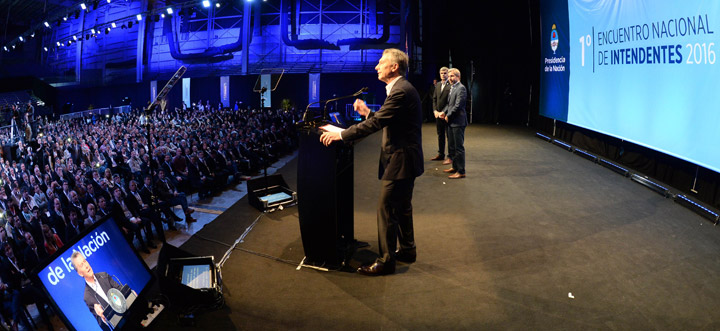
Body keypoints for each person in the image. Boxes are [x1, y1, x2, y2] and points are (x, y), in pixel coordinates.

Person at [319, 48, 423, 276]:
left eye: (381, 62)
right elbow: (385, 119)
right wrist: (367, 112)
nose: (377, 66)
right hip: (406, 159)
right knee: (402, 207)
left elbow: (378, 124)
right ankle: (407, 250)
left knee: (386, 209)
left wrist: (341, 135)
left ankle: (387, 262)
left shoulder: (400, 91)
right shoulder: (400, 89)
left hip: (400, 160)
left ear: (394, 67)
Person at [71, 252, 132, 331]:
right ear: (80, 273)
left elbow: (120, 289)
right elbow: (102, 325)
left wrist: (130, 293)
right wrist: (102, 316)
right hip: (119, 326)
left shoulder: (104, 276)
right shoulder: (87, 297)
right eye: (81, 265)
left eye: (85, 261)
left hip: (128, 312)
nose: (86, 266)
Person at [440, 68, 467, 179]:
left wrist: (448, 115)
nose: (450, 78)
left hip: (458, 122)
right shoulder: (453, 87)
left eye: (452, 76)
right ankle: (455, 167)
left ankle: (461, 171)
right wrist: (443, 112)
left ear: (458, 77)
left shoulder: (461, 88)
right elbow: (449, 104)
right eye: (449, 76)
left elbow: (458, 105)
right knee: (453, 147)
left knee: (458, 148)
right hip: (452, 122)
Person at [431, 67, 451, 163]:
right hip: (438, 115)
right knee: (440, 135)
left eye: (445, 73)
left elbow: (450, 102)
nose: (443, 75)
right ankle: (441, 154)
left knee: (449, 135)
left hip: (447, 115)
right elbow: (434, 99)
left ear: (448, 73)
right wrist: (435, 111)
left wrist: (443, 112)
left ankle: (450, 156)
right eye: (441, 73)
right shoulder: (438, 85)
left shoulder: (451, 85)